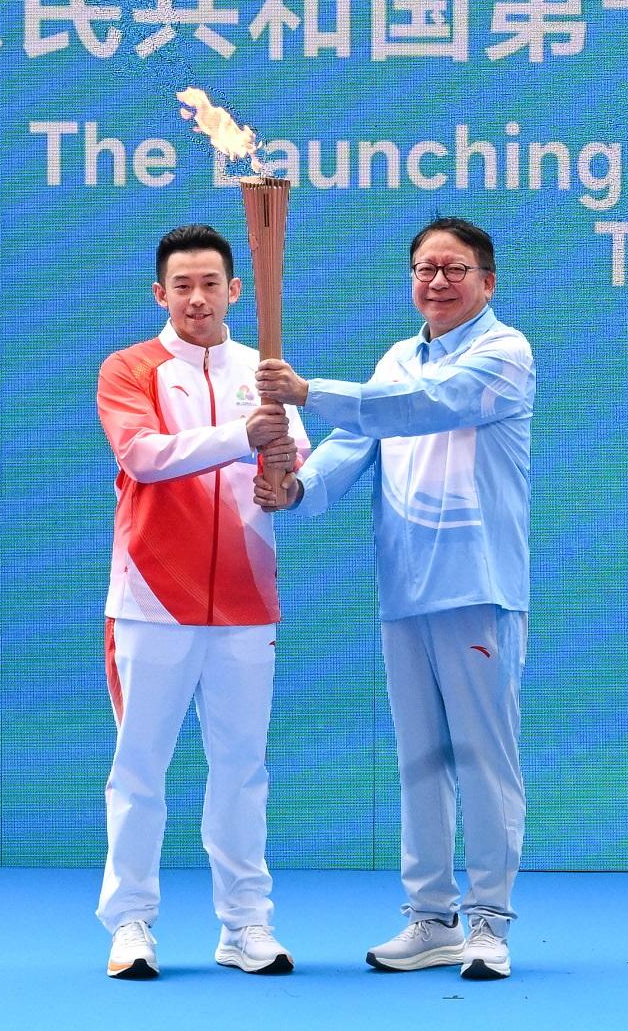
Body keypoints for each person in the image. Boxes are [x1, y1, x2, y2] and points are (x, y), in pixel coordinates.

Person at [249, 216, 534, 983]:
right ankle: (432, 918)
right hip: (405, 587)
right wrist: (296, 487)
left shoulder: (506, 352)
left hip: (477, 586)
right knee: (421, 760)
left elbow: (424, 405)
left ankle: (489, 921)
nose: (438, 280)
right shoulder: (397, 360)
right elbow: (355, 444)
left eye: (454, 267)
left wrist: (308, 391)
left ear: (487, 281)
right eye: (424, 268)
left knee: (483, 758)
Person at [94, 223, 310, 980]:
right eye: (182, 285)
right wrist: (240, 435)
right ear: (161, 293)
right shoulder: (130, 369)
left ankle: (246, 923)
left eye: (210, 283)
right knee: (140, 767)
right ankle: (130, 923)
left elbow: (294, 464)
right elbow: (142, 456)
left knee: (243, 768)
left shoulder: (265, 372)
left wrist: (285, 480)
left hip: (247, 600)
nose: (196, 298)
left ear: (235, 290)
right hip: (153, 598)